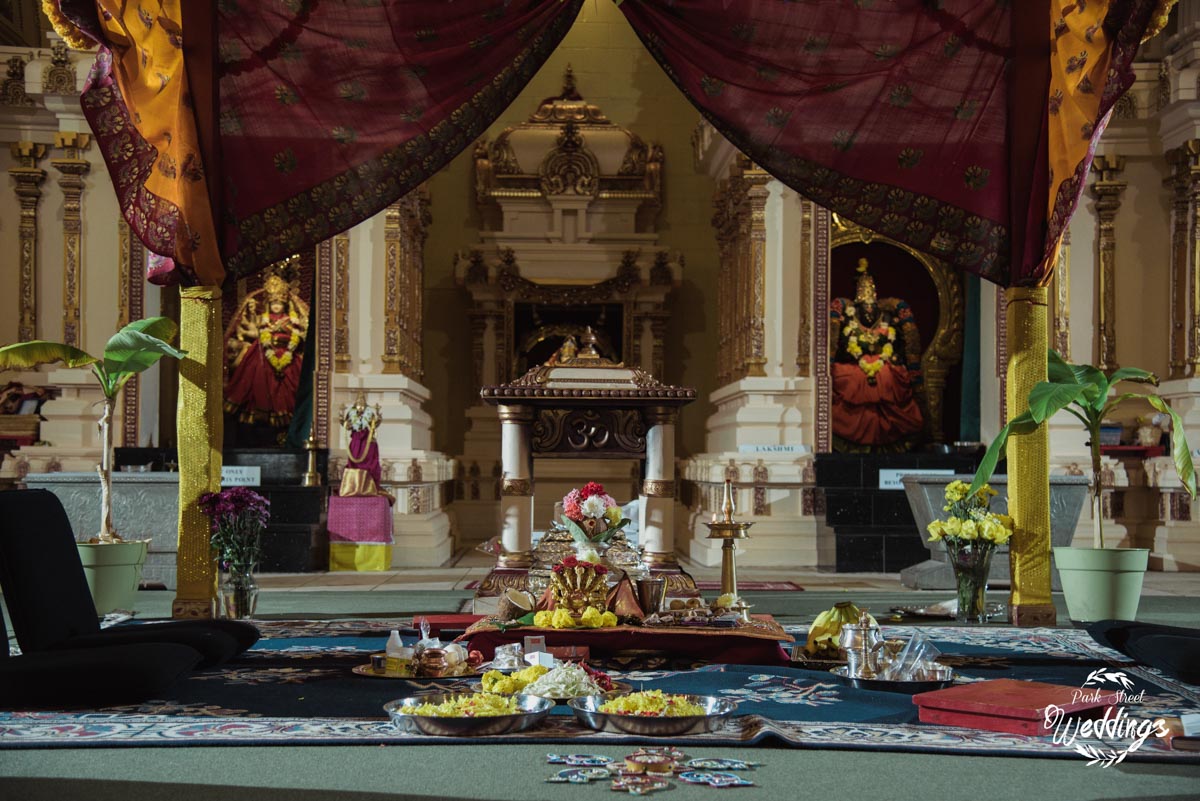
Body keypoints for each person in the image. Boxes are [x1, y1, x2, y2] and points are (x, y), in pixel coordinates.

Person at [830, 258, 924, 450]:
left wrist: (890, 357)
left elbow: (897, 344)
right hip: (854, 364)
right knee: (851, 377)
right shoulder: (846, 312)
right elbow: (838, 346)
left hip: (884, 363)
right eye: (862, 287)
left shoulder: (888, 313)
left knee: (889, 376)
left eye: (869, 287)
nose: (867, 294)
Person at [224, 273, 309, 427]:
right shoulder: (262, 319)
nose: (276, 306)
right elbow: (254, 333)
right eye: (273, 303)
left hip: (288, 355)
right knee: (258, 383)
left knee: (292, 386)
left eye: (279, 303)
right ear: (269, 304)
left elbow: (299, 335)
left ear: (285, 304)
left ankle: (288, 424)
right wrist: (246, 329)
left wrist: (298, 337)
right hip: (263, 355)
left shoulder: (292, 319)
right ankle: (261, 424)